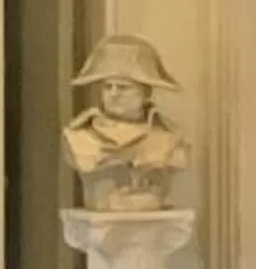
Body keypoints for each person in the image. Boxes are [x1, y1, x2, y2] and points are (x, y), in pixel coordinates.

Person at [63, 34, 190, 211]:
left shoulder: (169, 136)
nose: (114, 94)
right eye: (108, 87)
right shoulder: (80, 135)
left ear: (145, 92)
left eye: (123, 87)